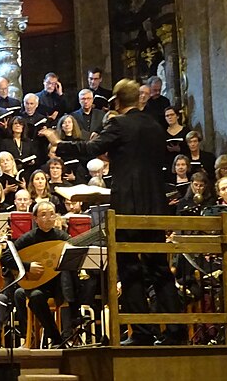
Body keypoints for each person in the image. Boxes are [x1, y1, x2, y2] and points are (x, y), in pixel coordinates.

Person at [40, 78, 183, 345]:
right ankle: (176, 332)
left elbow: (90, 149)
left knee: (129, 267)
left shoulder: (118, 123)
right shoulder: (155, 126)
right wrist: (116, 156)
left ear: (116, 102)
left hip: (129, 205)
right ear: (138, 99)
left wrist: (57, 141)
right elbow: (141, 158)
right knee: (159, 267)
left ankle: (141, 333)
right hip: (154, 204)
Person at [2, 201, 70, 348]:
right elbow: (5, 257)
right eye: (43, 215)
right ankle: (55, 338)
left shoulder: (63, 237)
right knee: (33, 296)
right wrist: (27, 266)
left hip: (57, 286)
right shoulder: (29, 238)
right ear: (35, 219)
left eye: (51, 214)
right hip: (35, 284)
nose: (48, 218)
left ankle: (59, 336)